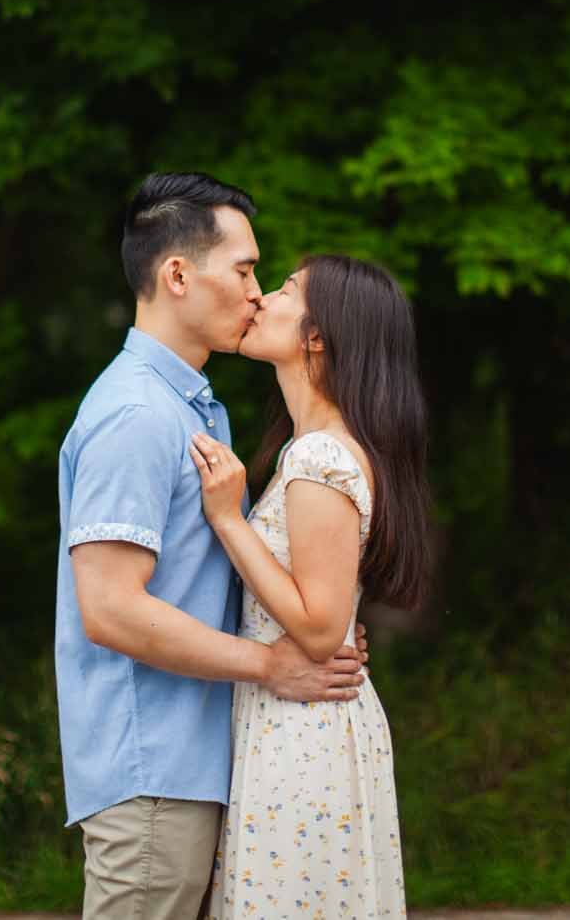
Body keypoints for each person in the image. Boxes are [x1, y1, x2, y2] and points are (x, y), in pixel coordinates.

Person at [56, 173, 372, 920]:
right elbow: (108, 609)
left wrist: (311, 620)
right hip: (153, 773)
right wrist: (270, 662)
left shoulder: (194, 408)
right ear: (176, 274)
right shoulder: (136, 413)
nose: (257, 291)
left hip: (201, 764)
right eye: (243, 269)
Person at [188, 254, 433, 919]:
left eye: (286, 289)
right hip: (301, 723)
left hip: (302, 738)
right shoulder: (322, 446)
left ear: (318, 334)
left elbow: (321, 628)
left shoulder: (320, 455)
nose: (261, 298)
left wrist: (226, 518)